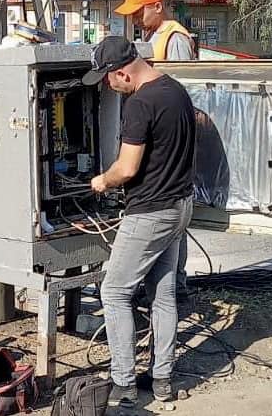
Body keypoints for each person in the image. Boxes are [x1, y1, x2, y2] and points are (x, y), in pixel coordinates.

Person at [82, 36, 196, 408]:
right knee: (162, 294)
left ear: (123, 74)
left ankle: (124, 382)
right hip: (180, 207)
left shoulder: (140, 103)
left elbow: (128, 168)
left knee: (114, 292)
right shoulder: (175, 90)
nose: (107, 86)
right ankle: (162, 378)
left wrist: (102, 180)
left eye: (107, 79)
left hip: (150, 213)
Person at [114, 0, 196, 300]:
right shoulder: (151, 37)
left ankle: (177, 282)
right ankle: (162, 288)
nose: (134, 18)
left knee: (170, 217)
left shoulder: (174, 38)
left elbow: (182, 91)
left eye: (139, 11)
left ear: (158, 7)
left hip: (166, 136)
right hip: (152, 134)